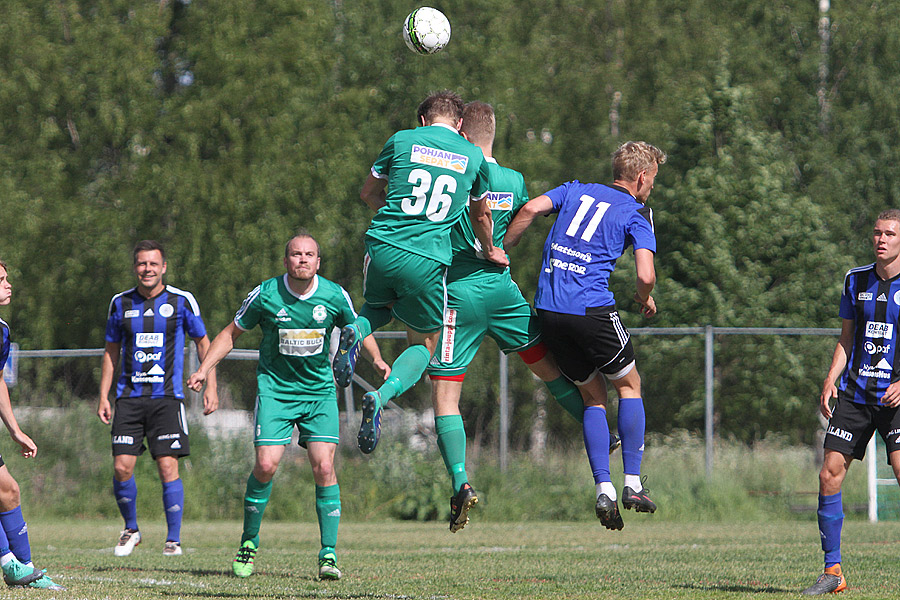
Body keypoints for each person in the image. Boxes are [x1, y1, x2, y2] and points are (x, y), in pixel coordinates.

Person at [426, 101, 617, 533]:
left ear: (460, 132)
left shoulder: (456, 172)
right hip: (503, 292)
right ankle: (609, 443)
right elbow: (517, 220)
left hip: (459, 293)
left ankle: (460, 481)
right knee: (552, 374)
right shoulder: (514, 180)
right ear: (494, 133)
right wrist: (502, 251)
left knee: (445, 395)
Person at [188, 231, 388, 581]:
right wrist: (205, 369)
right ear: (286, 261)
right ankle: (248, 543)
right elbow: (229, 333)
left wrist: (377, 360)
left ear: (318, 261)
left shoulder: (333, 294)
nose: (303, 260)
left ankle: (328, 554)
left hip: (319, 393)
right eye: (296, 254)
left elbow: (358, 328)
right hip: (276, 391)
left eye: (309, 254)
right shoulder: (265, 294)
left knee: (324, 467)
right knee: (266, 465)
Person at [331, 90, 507, 456]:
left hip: (383, 246)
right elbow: (481, 215)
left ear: (423, 121)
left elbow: (368, 193)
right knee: (425, 346)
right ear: (460, 124)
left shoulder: (402, 140)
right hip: (428, 259)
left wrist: (398, 221)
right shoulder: (474, 156)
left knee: (377, 306)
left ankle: (355, 330)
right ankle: (380, 396)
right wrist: (491, 250)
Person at [505, 141, 666, 531]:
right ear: (642, 177)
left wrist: (502, 250)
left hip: (549, 308)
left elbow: (529, 209)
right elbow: (645, 275)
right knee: (629, 386)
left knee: (592, 396)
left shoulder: (575, 189)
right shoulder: (637, 210)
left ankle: (603, 489)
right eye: (653, 181)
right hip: (591, 309)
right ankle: (632, 484)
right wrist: (644, 298)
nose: (652, 189)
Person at [98, 240, 219, 557]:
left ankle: (173, 539)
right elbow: (111, 353)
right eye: (141, 263)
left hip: (167, 399)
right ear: (134, 267)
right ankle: (131, 529)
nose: (147, 269)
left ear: (163, 267)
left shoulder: (181, 301)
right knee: (122, 467)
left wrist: (211, 386)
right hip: (128, 399)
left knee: (168, 466)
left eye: (153, 263)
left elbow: (204, 344)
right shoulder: (120, 303)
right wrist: (103, 396)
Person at [801, 209, 900, 595]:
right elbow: (846, 338)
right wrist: (830, 379)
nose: (881, 239)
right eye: (877, 233)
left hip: (895, 398)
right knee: (829, 473)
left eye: (890, 233)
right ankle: (833, 570)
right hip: (856, 395)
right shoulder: (855, 280)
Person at [0, 261, 64, 590]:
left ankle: (26, 570)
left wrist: (15, 430)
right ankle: (9, 563)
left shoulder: (1, 331)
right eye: (0, 280)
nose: (8, 285)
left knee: (8, 492)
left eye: (7, 278)